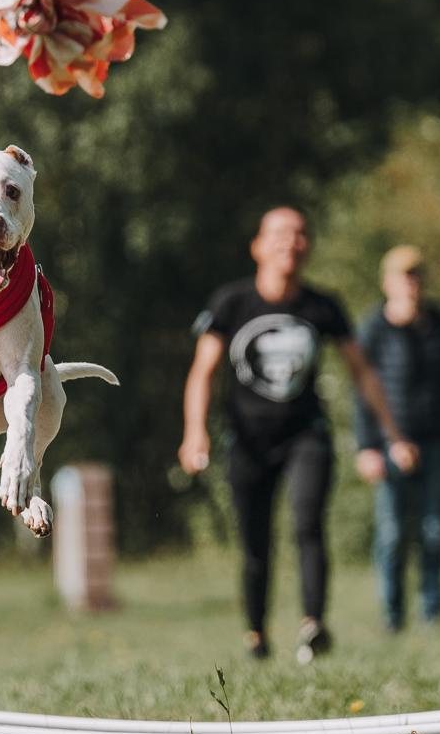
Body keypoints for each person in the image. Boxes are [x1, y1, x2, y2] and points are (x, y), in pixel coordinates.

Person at [178, 207, 415, 663]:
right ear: (258, 246)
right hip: (246, 438)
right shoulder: (232, 302)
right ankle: (256, 635)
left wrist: (394, 435)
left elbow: (362, 373)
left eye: (301, 233)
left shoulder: (323, 306)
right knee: (255, 542)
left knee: (308, 525)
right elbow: (202, 372)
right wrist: (195, 434)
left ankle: (313, 626)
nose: (292, 241)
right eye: (281, 233)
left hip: (306, 434)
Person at [352, 246, 440, 631]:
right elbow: (361, 390)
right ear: (386, 281)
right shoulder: (373, 328)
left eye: (416, 275)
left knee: (434, 531)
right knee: (391, 533)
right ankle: (392, 616)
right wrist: (367, 447)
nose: (410, 283)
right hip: (390, 443)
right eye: (402, 275)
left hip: (437, 441)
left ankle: (432, 613)